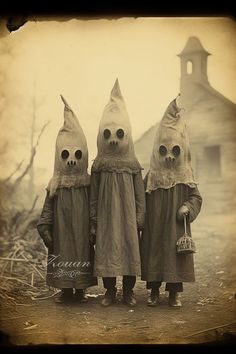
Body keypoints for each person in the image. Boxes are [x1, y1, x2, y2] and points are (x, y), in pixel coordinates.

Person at [140, 94, 202, 308]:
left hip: (175, 225)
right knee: (155, 253)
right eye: (163, 151)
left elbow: (196, 197)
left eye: (174, 151)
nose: (169, 157)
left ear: (181, 151)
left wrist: (187, 206)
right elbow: (139, 196)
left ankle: (175, 293)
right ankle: (154, 291)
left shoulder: (186, 174)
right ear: (157, 151)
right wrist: (141, 217)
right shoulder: (151, 176)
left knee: (175, 257)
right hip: (155, 224)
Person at [90, 79, 145, 307]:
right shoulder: (99, 165)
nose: (113, 140)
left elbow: (140, 195)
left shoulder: (132, 164)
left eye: (119, 134)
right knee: (106, 250)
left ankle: (128, 292)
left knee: (129, 250)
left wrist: (139, 218)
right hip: (106, 217)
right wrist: (93, 219)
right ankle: (110, 291)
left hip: (128, 218)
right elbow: (93, 194)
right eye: (108, 134)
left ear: (127, 135)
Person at [37, 95, 97, 304]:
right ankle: (65, 290)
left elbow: (93, 205)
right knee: (63, 254)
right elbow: (48, 207)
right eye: (66, 155)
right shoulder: (55, 183)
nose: (71, 160)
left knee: (81, 254)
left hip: (81, 228)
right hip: (61, 229)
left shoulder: (88, 183)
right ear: (58, 157)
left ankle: (80, 290)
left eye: (77, 155)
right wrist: (45, 225)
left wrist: (93, 225)